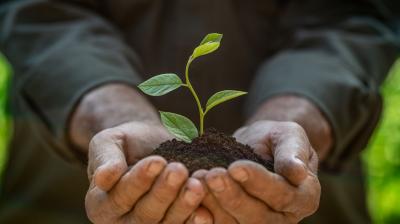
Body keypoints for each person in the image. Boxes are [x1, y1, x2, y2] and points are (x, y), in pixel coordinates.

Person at [0, 0, 398, 223]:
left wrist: (299, 111)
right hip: (61, 194)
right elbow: (40, 10)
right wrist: (107, 110)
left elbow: (353, 13)